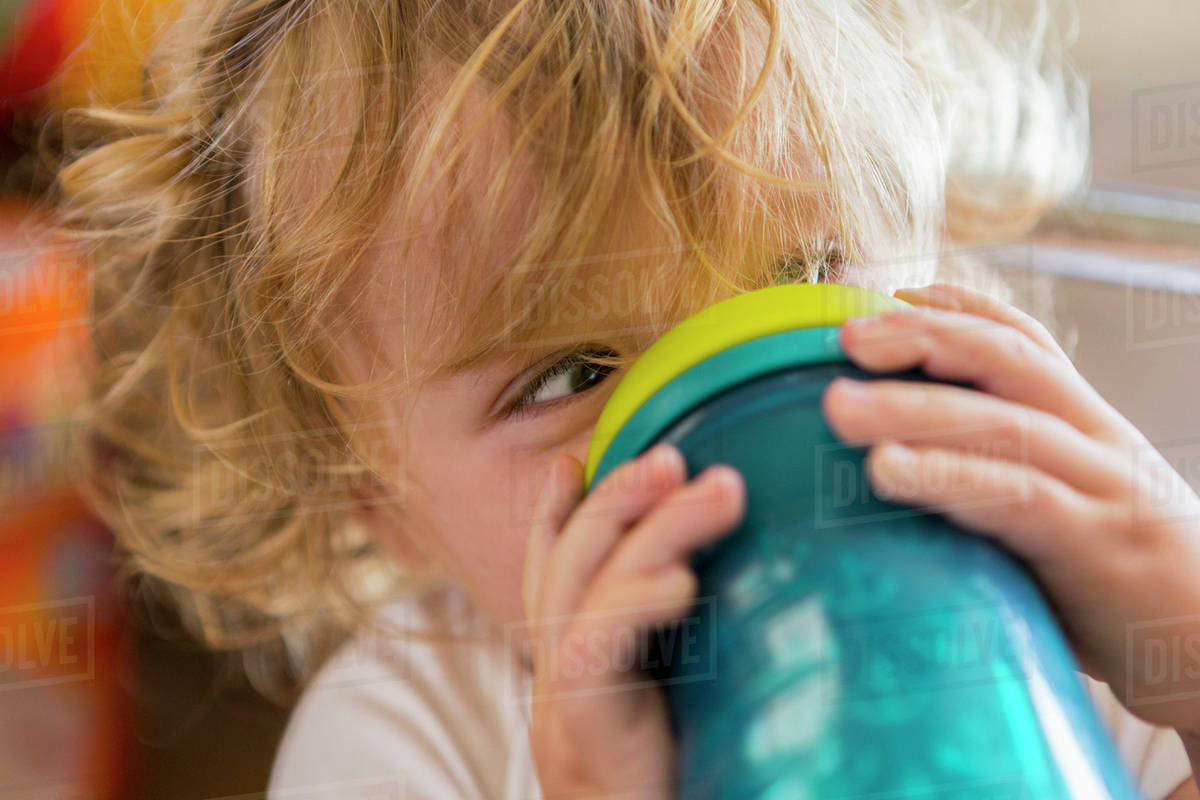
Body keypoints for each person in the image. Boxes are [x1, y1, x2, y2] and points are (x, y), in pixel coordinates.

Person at [53, 0, 1200, 797]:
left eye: (806, 281)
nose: (739, 408)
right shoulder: (403, 737)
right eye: (573, 375)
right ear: (377, 496)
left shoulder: (1051, 592)